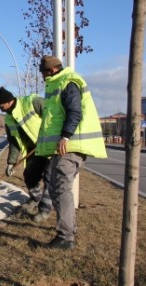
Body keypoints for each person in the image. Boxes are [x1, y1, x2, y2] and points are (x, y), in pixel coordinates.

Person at [37, 55, 107, 250]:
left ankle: (66, 237)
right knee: (56, 188)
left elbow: (75, 112)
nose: (42, 76)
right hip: (65, 147)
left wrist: (65, 136)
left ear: (51, 70)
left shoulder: (68, 83)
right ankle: (67, 231)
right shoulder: (57, 84)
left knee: (60, 188)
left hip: (71, 146)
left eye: (43, 72)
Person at [0, 87, 52, 221]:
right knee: (29, 176)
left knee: (50, 178)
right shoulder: (8, 119)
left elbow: (53, 115)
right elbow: (13, 142)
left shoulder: (32, 102)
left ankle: (44, 210)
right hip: (34, 150)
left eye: (1, 106)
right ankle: (35, 198)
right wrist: (10, 163)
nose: (0, 109)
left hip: (49, 146)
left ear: (9, 101)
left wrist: (49, 138)